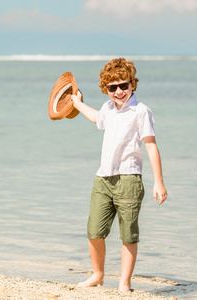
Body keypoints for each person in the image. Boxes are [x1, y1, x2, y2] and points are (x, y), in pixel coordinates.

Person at [71, 57, 168, 292]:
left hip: (129, 179)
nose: (119, 91)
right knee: (94, 230)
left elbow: (151, 145)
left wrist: (159, 182)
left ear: (132, 84)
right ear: (106, 89)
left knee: (128, 235)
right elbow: (97, 118)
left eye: (124, 85)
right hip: (103, 177)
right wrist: (77, 103)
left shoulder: (141, 111)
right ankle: (98, 275)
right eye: (112, 88)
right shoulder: (108, 108)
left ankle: (124, 283)